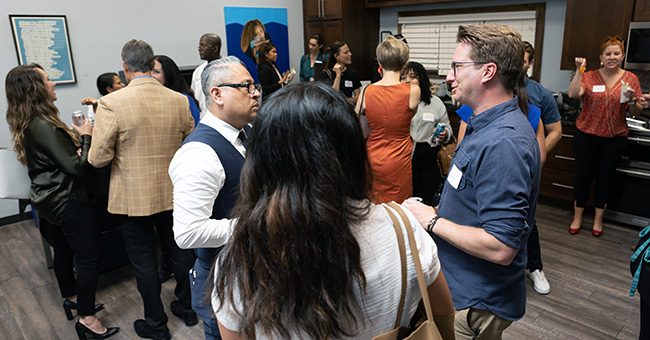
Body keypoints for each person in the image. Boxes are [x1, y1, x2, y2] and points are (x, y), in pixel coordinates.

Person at [211, 82, 455, 340]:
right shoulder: (404, 229)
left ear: (260, 163)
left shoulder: (241, 259)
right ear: (353, 152)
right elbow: (443, 315)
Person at [403, 24, 541, 339]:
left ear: (488, 71)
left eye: (457, 66)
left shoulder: (505, 143)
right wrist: (433, 210)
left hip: (475, 299)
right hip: (456, 283)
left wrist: (432, 221)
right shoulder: (481, 124)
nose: (449, 76)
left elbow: (502, 246)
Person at [88, 39, 197, 339]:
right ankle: (189, 308)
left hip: (132, 196)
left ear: (124, 67)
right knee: (181, 253)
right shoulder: (178, 99)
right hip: (174, 191)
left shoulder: (111, 103)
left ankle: (156, 324)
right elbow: (191, 144)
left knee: (144, 261)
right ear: (151, 65)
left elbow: (98, 158)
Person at [5, 64, 119, 340]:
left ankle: (72, 298)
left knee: (65, 252)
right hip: (67, 200)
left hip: (49, 200)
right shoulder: (43, 125)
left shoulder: (33, 122)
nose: (53, 84)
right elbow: (78, 168)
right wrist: (86, 135)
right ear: (35, 88)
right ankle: (88, 319)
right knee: (90, 257)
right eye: (48, 80)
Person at [169, 56, 260, 340]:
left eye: (254, 85)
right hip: (223, 278)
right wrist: (260, 222)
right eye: (245, 86)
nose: (255, 92)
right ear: (217, 94)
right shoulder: (199, 153)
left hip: (251, 270)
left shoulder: (245, 131)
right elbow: (188, 232)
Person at [567, 36, 643, 237]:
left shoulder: (631, 79)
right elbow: (574, 94)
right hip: (587, 136)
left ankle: (598, 220)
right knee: (583, 178)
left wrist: (637, 103)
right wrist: (579, 69)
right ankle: (577, 217)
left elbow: (634, 111)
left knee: (605, 180)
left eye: (616, 53)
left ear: (622, 55)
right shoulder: (589, 76)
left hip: (614, 138)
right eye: (608, 53)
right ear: (601, 57)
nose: (612, 57)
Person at [355, 36, 419, 203]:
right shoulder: (413, 90)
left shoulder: (366, 91)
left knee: (373, 205)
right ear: (404, 62)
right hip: (399, 158)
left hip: (372, 156)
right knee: (399, 208)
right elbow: (406, 117)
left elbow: (362, 131)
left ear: (380, 63)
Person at [521, 41, 563, 295]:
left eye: (523, 59)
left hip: (527, 167)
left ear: (529, 63)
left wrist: (538, 155)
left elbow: (556, 130)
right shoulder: (494, 87)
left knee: (526, 217)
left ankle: (534, 266)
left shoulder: (539, 94)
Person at [403, 61, 452, 205]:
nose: (407, 80)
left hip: (428, 160)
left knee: (426, 202)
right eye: (403, 77)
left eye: (412, 76)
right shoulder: (396, 102)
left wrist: (445, 134)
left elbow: (448, 129)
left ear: (421, 79)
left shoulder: (435, 103)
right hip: (403, 159)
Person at [153, 55, 201, 126]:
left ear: (168, 74)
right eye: (149, 71)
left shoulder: (185, 100)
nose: (151, 75)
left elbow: (196, 127)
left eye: (156, 72)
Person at [322, 41, 362, 105]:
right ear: (336, 56)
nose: (350, 54)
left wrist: (345, 102)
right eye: (346, 52)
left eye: (349, 51)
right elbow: (333, 97)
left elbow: (358, 96)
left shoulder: (353, 73)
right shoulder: (327, 73)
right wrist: (338, 75)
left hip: (348, 109)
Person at [192, 33, 222, 114]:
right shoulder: (198, 71)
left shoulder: (228, 68)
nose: (199, 49)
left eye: (203, 45)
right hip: (203, 118)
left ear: (215, 49)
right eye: (199, 46)